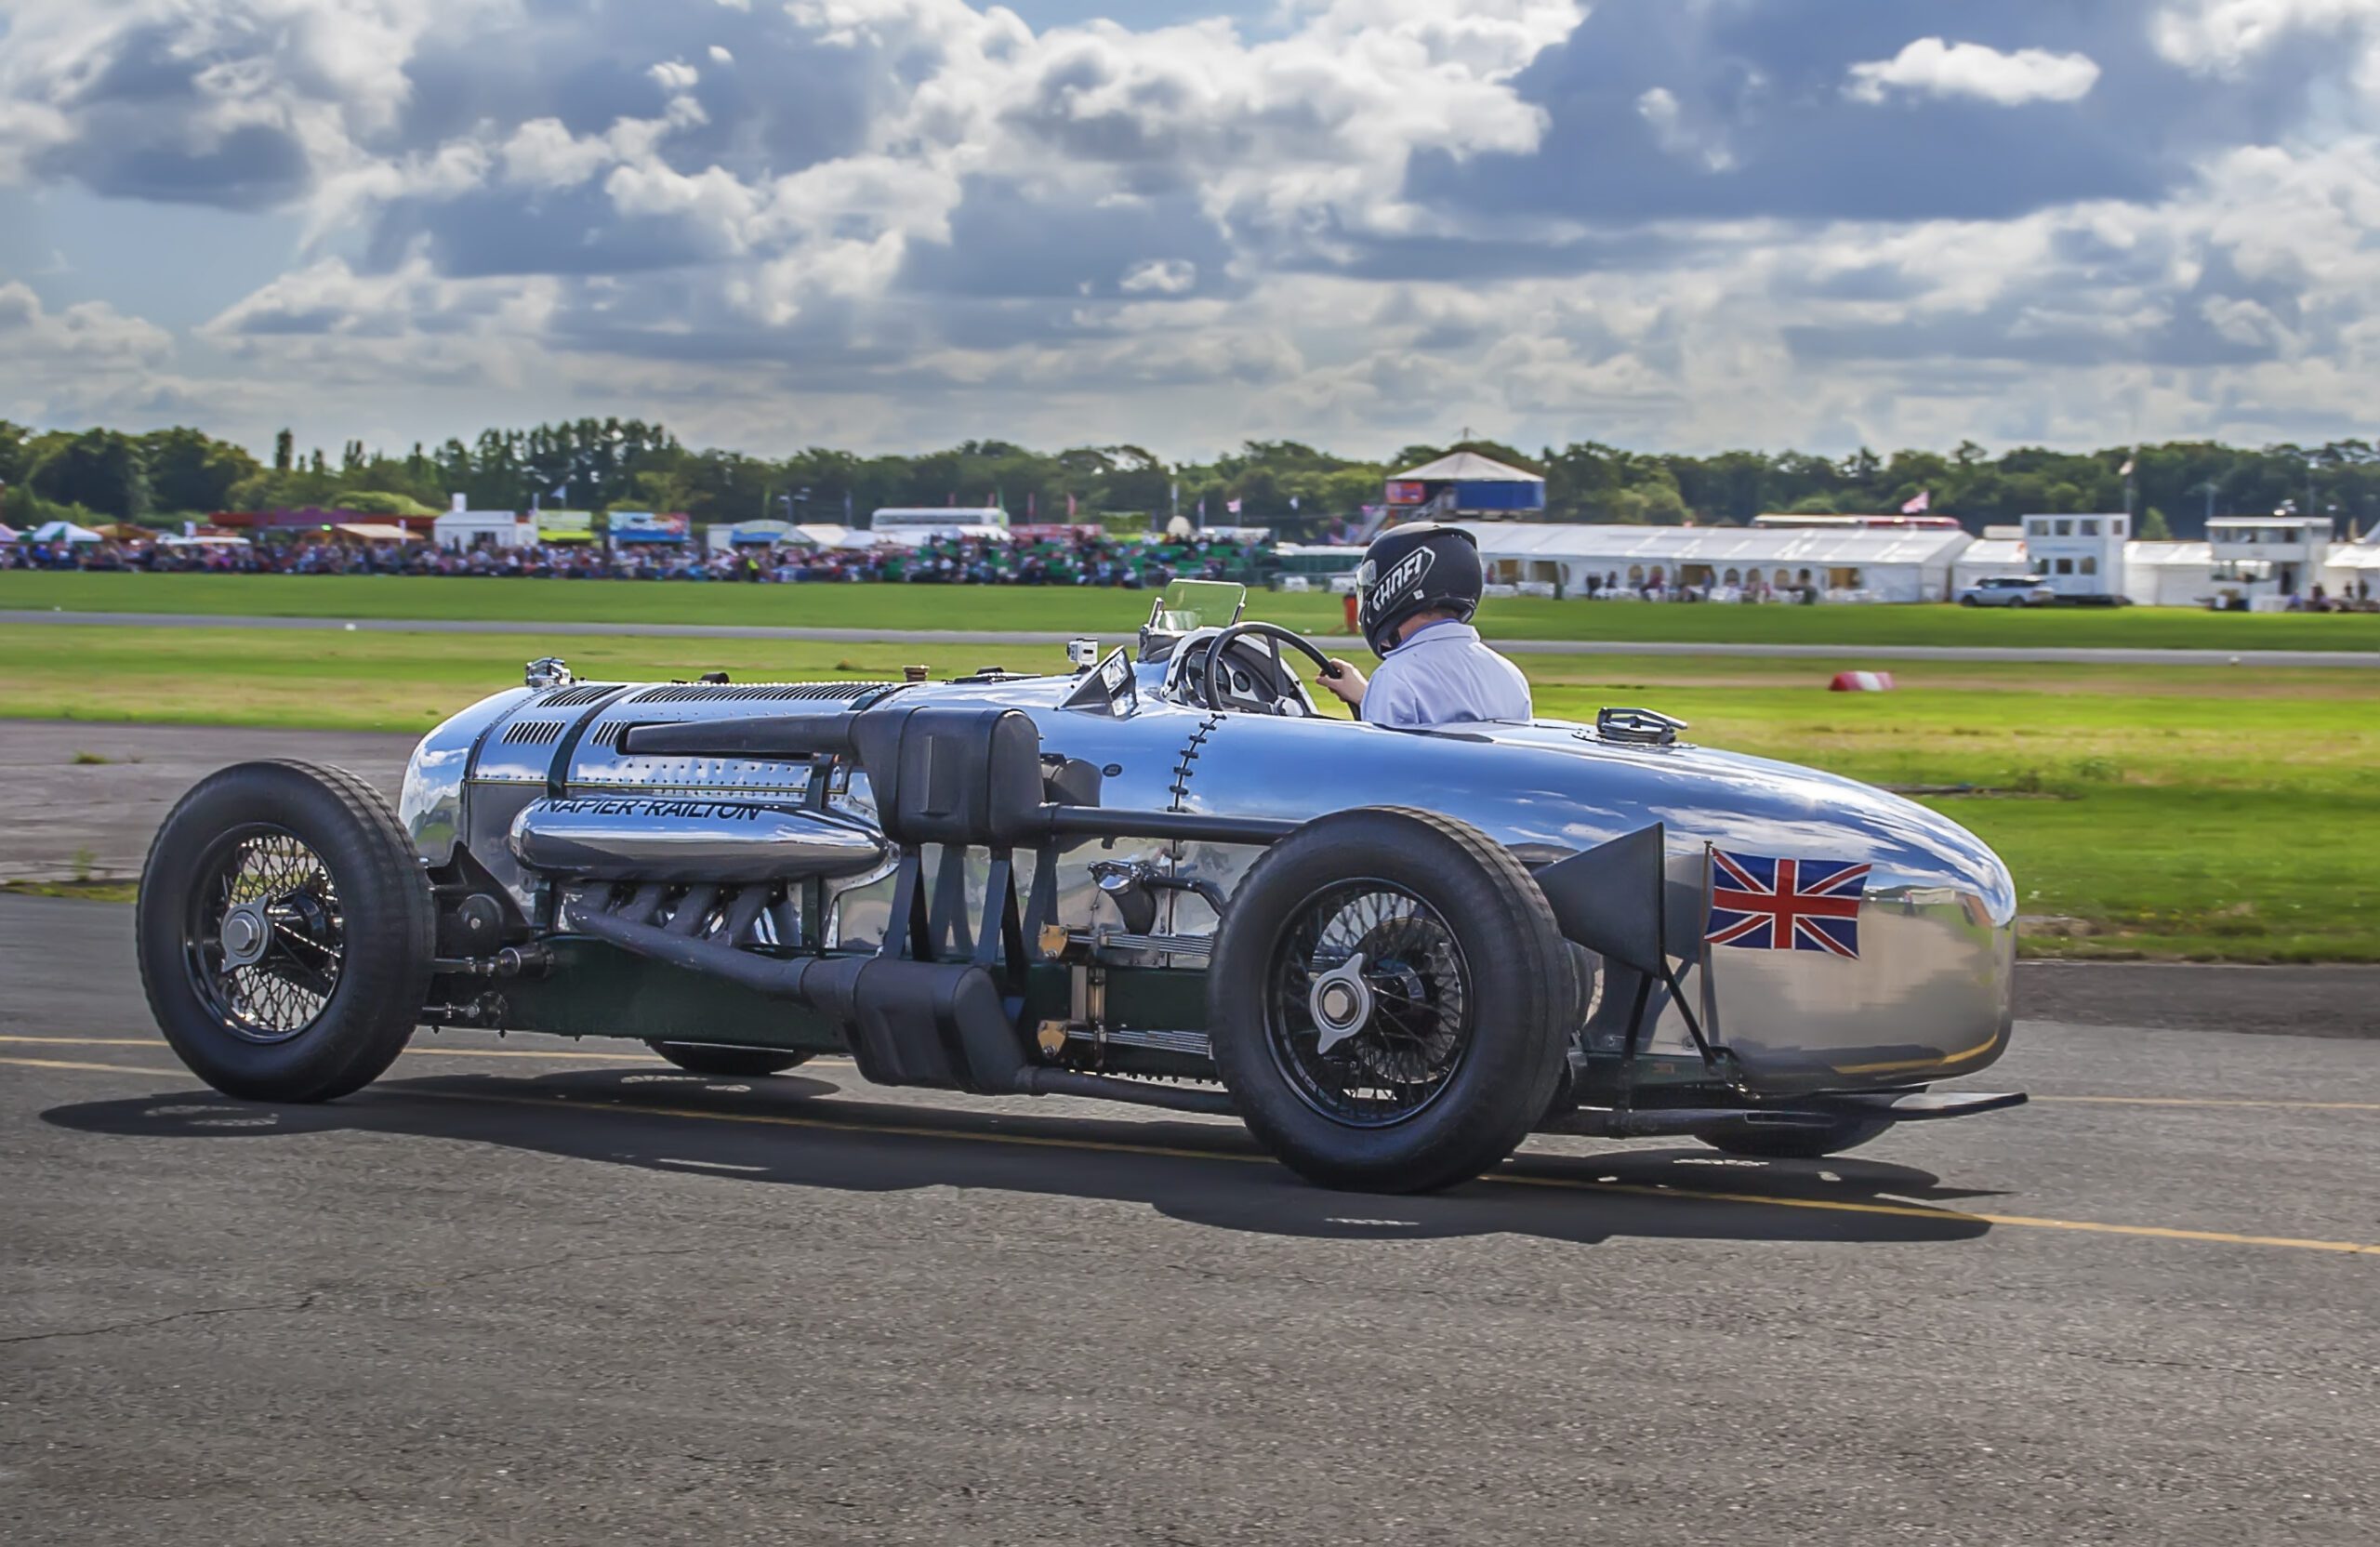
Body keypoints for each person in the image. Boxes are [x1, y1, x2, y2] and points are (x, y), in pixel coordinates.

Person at [1316, 522, 1532, 729]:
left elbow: (1384, 761)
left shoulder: (1397, 676)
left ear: (1397, 583)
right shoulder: (1508, 673)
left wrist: (1377, 695)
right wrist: (1367, 696)